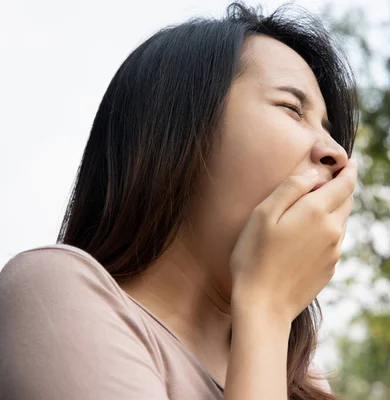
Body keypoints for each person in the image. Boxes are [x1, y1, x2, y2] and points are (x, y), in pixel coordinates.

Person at [0, 2, 358, 399]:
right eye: (293, 108)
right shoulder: (53, 294)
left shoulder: (304, 381)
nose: (337, 154)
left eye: (330, 131)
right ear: (180, 132)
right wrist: (266, 305)